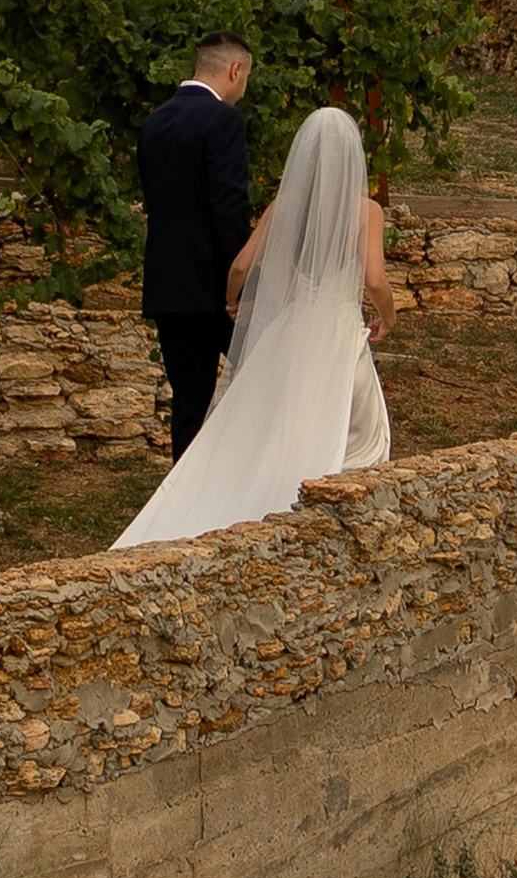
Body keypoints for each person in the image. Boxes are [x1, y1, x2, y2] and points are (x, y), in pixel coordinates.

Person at [114, 105, 394, 549]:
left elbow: (242, 264)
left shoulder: (284, 207)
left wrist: (233, 298)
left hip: (290, 329)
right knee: (356, 432)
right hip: (338, 332)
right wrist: (388, 316)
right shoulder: (366, 211)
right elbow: (375, 280)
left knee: (279, 421)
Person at [137, 34, 258, 460]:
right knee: (264, 383)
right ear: (234, 70)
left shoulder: (155, 122)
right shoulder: (222, 121)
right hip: (214, 291)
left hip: (169, 287)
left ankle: (181, 507)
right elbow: (228, 209)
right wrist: (241, 287)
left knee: (189, 406)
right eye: (246, 79)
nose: (243, 91)